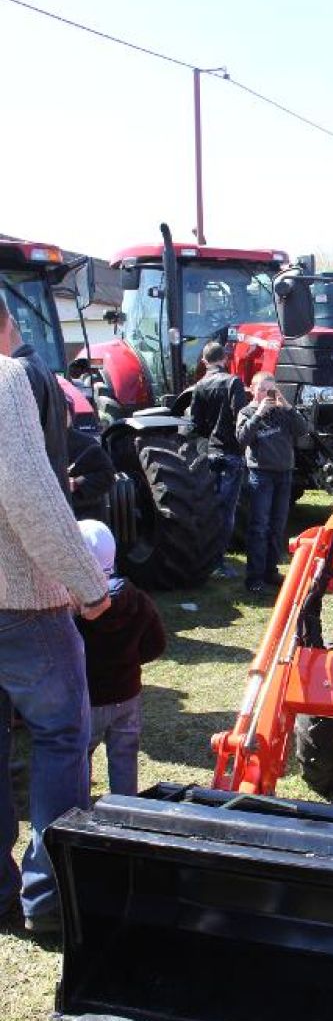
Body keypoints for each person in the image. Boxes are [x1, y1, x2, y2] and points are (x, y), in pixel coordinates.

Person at [0, 355, 110, 936]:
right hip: (18, 602)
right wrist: (86, 582)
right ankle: (50, 897)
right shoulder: (6, 376)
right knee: (63, 735)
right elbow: (29, 490)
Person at [76, 520, 166, 795]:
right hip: (127, 694)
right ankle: (125, 810)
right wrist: (129, 661)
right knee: (124, 756)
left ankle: (77, 809)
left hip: (87, 699)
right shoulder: (138, 599)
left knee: (78, 757)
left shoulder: (73, 609)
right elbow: (156, 645)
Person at [236, 372, 305, 595]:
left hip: (283, 474)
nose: (267, 394)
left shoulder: (282, 412)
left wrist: (287, 406)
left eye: (271, 389)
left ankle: (270, 571)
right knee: (259, 526)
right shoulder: (246, 412)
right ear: (253, 389)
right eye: (263, 389)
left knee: (277, 525)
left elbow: (303, 430)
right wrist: (258, 413)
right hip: (261, 474)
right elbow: (242, 439)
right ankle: (254, 577)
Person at [0, 293, 70, 498]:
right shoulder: (41, 368)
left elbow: (19, 463)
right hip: (54, 496)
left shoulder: (17, 377)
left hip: (35, 504)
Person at [187, 341, 247, 577]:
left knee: (210, 506)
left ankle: (207, 554)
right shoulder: (233, 382)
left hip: (208, 452)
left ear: (204, 361)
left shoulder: (199, 386)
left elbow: (196, 423)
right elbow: (239, 414)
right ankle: (218, 560)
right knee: (226, 510)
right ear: (225, 359)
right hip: (231, 451)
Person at [65, 393, 116, 522]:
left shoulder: (88, 445)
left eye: (63, 411)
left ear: (70, 416)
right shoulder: (36, 444)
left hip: (83, 514)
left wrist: (76, 483)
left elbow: (108, 475)